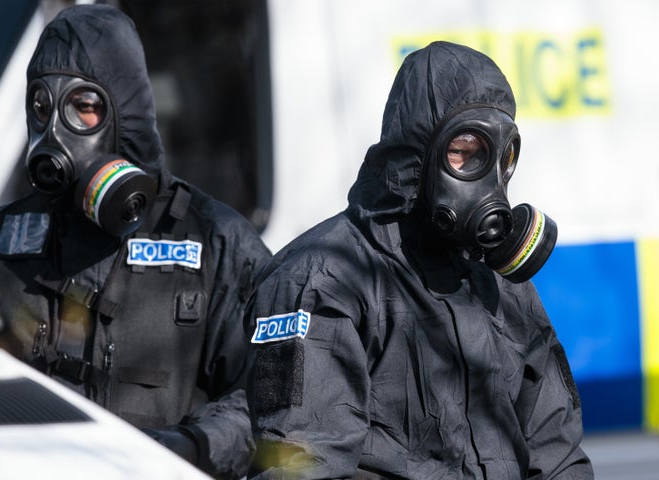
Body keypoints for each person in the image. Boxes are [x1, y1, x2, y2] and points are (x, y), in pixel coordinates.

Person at [244, 41, 593, 479]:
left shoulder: (500, 285)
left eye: (500, 158)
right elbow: (301, 468)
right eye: (464, 153)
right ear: (418, 155)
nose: (488, 181)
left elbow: (559, 456)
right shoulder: (323, 280)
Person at [0, 5, 271, 479]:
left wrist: (184, 449)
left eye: (81, 108)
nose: (55, 133)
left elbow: (268, 397)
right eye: (42, 109)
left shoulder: (216, 243)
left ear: (125, 115)